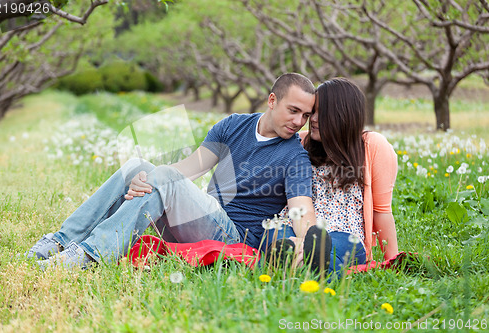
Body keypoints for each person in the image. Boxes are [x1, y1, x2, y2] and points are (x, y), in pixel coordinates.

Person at [26, 73, 318, 269]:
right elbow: (190, 168)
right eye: (293, 110)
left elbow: (301, 210)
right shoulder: (234, 125)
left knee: (161, 176)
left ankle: (90, 255)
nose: (299, 121)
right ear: (272, 100)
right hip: (201, 217)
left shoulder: (295, 156)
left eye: (305, 115)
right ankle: (61, 241)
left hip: (233, 235)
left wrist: (307, 241)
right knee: (135, 167)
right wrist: (145, 179)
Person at [280, 77, 399, 277]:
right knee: (275, 236)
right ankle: (304, 262)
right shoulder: (300, 143)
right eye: (313, 112)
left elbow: (382, 211)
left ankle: (305, 265)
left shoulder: (371, 146)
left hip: (342, 233)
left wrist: (393, 261)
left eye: (322, 113)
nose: (313, 119)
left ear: (343, 115)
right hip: (294, 226)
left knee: (329, 248)